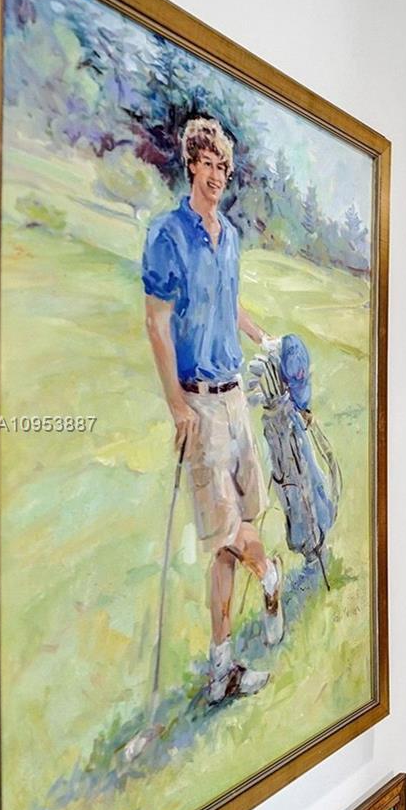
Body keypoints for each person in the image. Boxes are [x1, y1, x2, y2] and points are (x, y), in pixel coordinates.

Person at [143, 116, 283, 705]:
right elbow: (156, 321)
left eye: (224, 166)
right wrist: (176, 404)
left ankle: (222, 666)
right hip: (199, 404)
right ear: (191, 165)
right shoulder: (167, 234)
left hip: (236, 398)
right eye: (209, 164)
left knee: (235, 532)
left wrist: (260, 335)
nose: (218, 175)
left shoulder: (229, 236)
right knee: (225, 532)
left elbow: (229, 303)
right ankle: (269, 575)